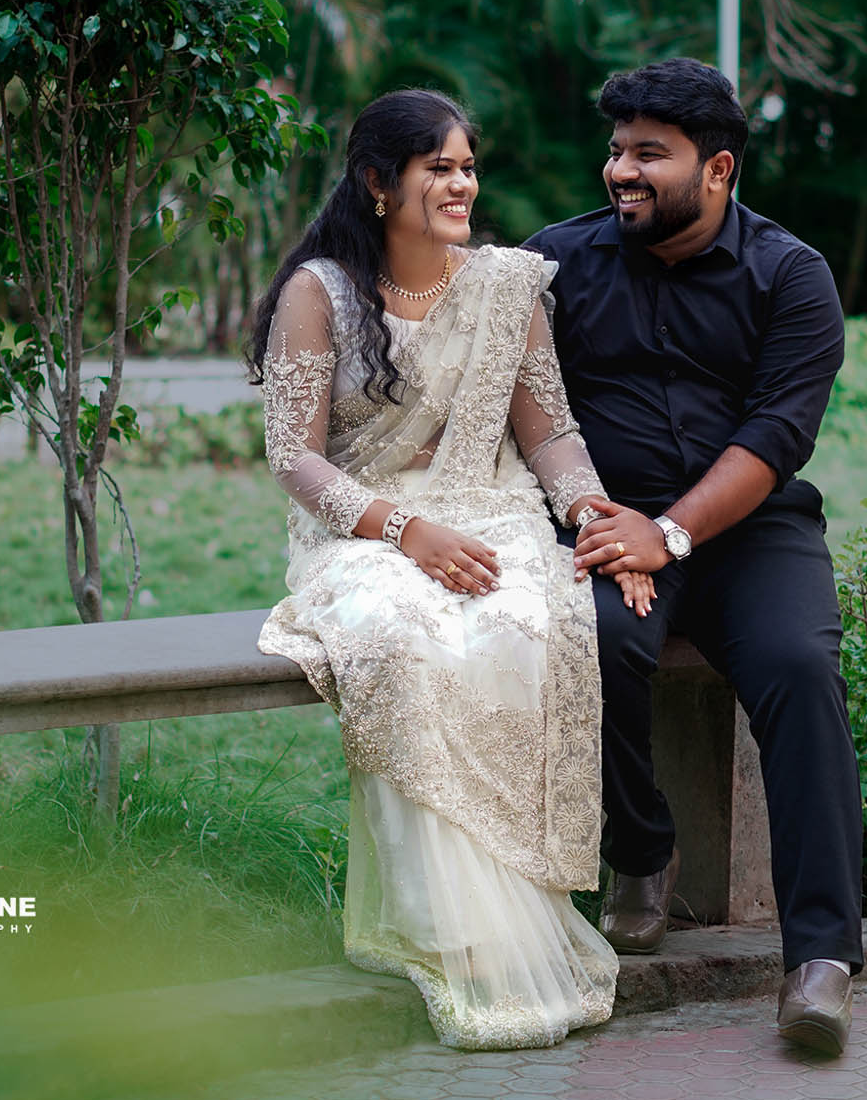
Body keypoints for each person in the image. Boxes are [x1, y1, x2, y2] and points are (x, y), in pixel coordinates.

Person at [249, 88, 651, 1050]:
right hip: (363, 531)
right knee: (401, 636)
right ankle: (447, 930)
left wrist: (596, 521)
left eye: (468, 166)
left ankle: (516, 914)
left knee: (526, 626)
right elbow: (293, 457)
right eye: (440, 167)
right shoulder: (320, 294)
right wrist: (403, 530)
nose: (462, 182)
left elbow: (549, 433)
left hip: (496, 513)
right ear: (379, 184)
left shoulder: (506, 286)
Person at [526, 58, 864, 1055]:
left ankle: (820, 958)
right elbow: (530, 417)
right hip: (603, 523)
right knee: (595, 639)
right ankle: (640, 849)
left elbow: (776, 435)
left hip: (753, 534)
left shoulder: (790, 274)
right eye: (616, 149)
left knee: (802, 669)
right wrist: (611, 527)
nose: (618, 170)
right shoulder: (554, 266)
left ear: (717, 169)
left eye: (647, 154)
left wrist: (667, 533)